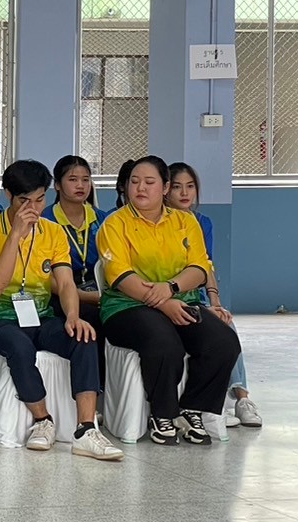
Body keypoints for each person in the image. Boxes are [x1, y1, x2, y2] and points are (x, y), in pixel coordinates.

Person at [0, 159, 121, 460]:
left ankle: (86, 429)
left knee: (84, 337)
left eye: (39, 200)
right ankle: (43, 420)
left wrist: (74, 316)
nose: (33, 209)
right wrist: (15, 235)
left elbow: (65, 283)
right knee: (20, 346)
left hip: (40, 316)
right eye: (24, 201)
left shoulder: (53, 232)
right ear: (8, 196)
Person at [98, 156, 241, 446]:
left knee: (224, 342)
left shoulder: (185, 221)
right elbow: (120, 276)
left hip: (180, 299)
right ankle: (162, 414)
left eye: (149, 182)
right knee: (164, 342)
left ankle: (192, 408)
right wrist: (164, 304)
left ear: (164, 188)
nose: (140, 188)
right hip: (127, 307)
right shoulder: (114, 224)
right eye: (134, 182)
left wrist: (171, 288)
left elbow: (200, 268)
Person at [167, 161, 261, 427]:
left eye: (190, 186)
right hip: (173, 295)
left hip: (198, 295)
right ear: (165, 190)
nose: (184, 193)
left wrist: (215, 302)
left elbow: (205, 264)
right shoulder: (161, 222)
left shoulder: (202, 222)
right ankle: (213, 405)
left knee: (226, 323)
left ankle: (242, 398)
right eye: (177, 187)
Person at [45, 155, 107, 386]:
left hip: (99, 292)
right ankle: (94, 387)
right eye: (73, 179)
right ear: (57, 185)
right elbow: (41, 274)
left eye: (86, 179)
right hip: (57, 294)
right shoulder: (45, 220)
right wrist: (82, 296)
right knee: (92, 319)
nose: (80, 185)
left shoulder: (102, 220)